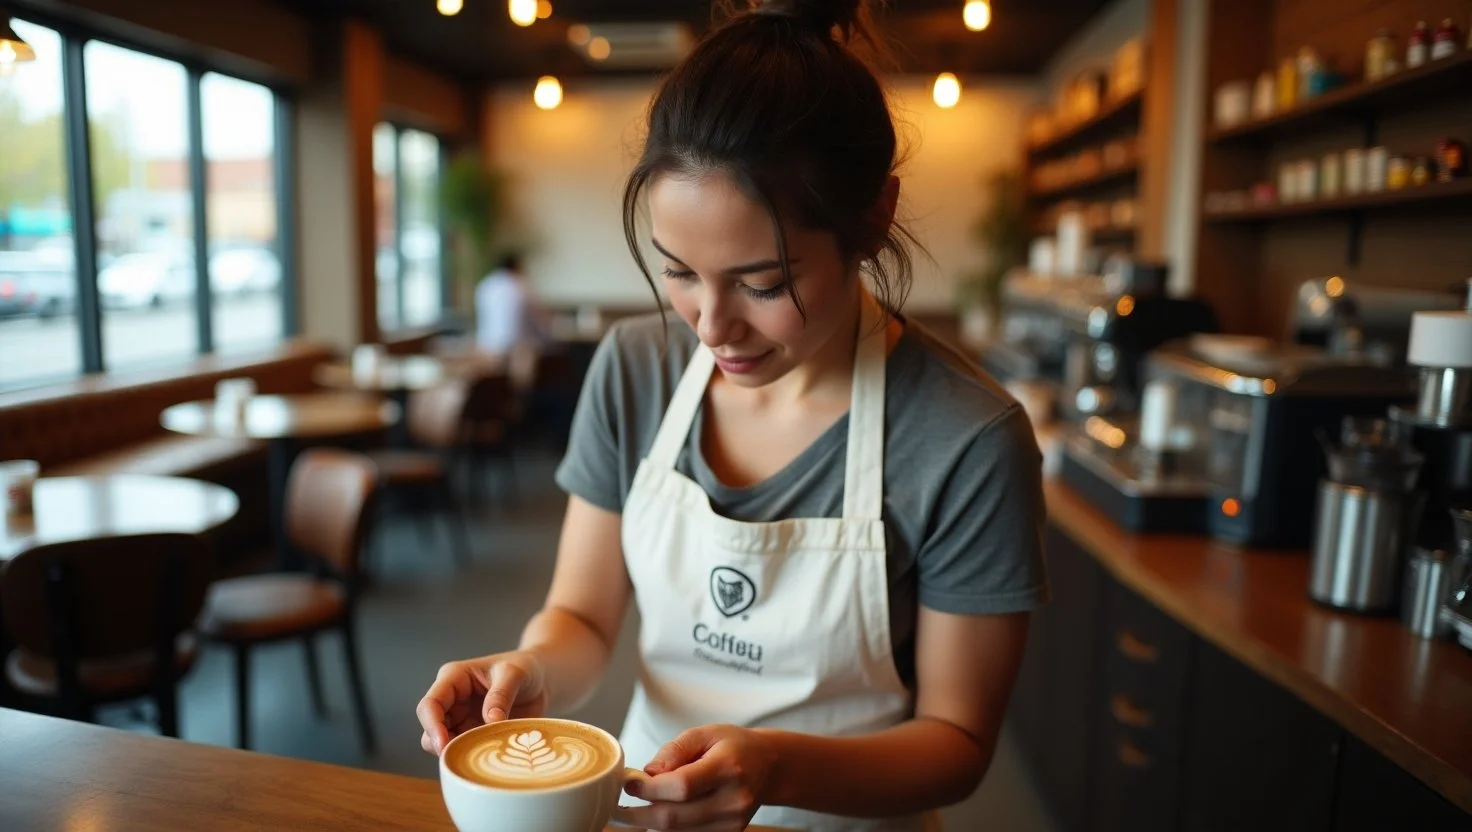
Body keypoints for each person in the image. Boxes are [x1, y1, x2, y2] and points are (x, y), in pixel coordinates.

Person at [416, 1, 1048, 829]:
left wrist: (777, 766)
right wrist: (532, 668)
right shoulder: (634, 369)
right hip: (644, 806)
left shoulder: (965, 438)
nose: (712, 328)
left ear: (873, 218)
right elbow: (583, 614)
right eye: (679, 272)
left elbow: (958, 743)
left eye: (761, 283)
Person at [474, 253, 549, 359]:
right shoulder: (522, 286)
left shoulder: (485, 285)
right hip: (517, 351)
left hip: (487, 347)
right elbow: (539, 321)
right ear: (516, 267)